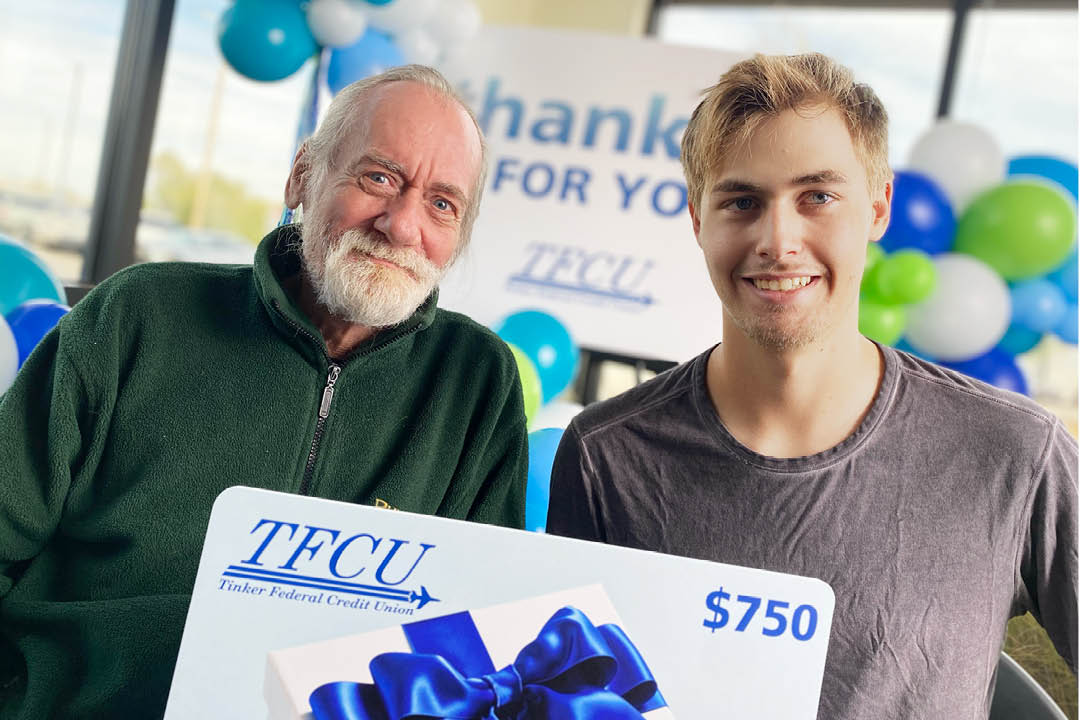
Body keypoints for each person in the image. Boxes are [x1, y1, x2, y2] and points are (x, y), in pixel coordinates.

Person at [547, 52, 1077, 718]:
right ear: (697, 221)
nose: (779, 240)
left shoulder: (1017, 452)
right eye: (742, 201)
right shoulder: (606, 455)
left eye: (817, 197)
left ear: (879, 208)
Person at [0, 65, 528, 718]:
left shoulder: (476, 381)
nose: (400, 224)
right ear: (303, 175)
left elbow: (478, 637)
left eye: (441, 204)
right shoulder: (137, 316)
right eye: (380, 178)